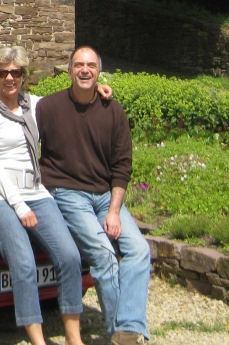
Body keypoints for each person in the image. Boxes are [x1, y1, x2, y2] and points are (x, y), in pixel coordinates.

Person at [0, 46, 87, 345]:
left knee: (70, 256)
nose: (9, 78)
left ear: (24, 75)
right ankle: (39, 341)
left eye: (16, 72)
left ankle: (74, 338)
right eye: (3, 73)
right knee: (23, 263)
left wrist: (98, 89)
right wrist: (20, 207)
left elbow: (68, 103)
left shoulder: (32, 105)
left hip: (34, 189)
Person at [36, 46, 150, 345]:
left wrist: (113, 211)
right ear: (70, 70)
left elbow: (123, 165)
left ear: (99, 71)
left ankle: (127, 327)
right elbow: (11, 119)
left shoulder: (113, 110)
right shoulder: (47, 107)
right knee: (103, 255)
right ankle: (123, 335)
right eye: (78, 65)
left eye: (90, 65)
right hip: (68, 193)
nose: (84, 70)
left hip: (104, 196)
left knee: (139, 250)